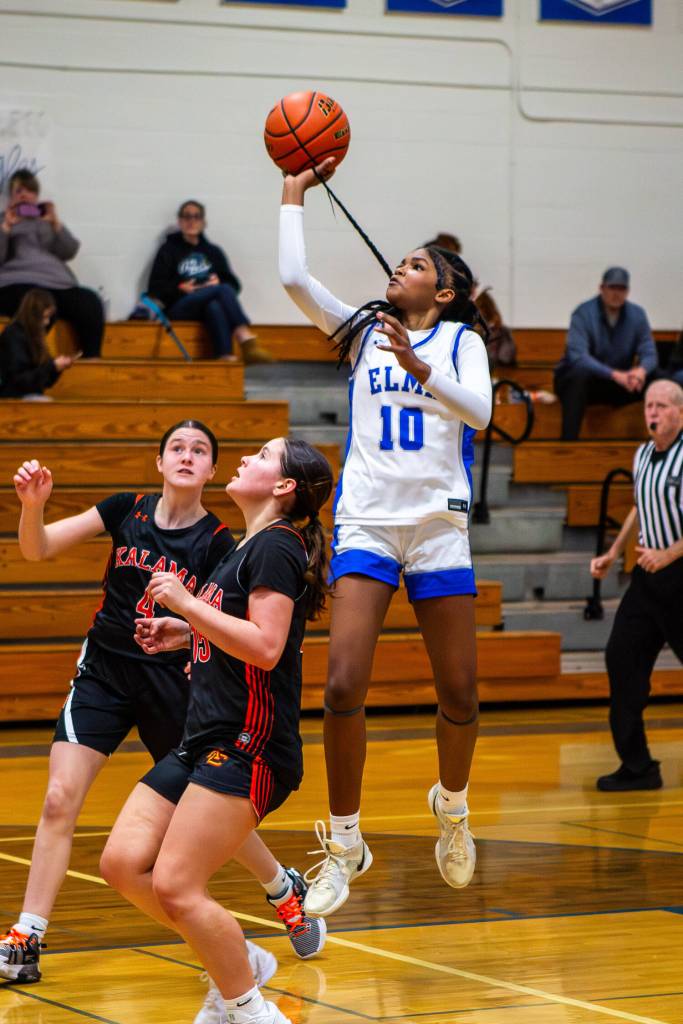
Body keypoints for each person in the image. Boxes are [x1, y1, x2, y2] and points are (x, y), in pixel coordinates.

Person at [0, 422, 298, 991]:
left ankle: (280, 885)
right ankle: (26, 937)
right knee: (60, 796)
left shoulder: (220, 542)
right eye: (177, 448)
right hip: (106, 675)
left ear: (212, 471)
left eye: (201, 450)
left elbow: (223, 623)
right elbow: (35, 549)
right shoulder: (124, 510)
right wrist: (32, 507)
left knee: (205, 803)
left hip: (176, 683)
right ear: (159, 462)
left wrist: (183, 629)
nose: (187, 456)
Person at [279, 159, 492, 916]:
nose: (398, 269)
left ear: (443, 292)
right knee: (341, 685)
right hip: (367, 519)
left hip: (437, 528)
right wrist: (293, 194)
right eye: (398, 261)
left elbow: (479, 415)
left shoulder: (462, 341)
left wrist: (419, 367)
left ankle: (453, 807)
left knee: (460, 694)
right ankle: (344, 843)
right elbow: (295, 281)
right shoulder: (366, 329)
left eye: (416, 265)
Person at [100, 436, 333, 1024]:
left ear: (283, 487)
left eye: (262, 455)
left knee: (177, 886)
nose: (247, 458)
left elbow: (267, 646)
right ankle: (240, 962)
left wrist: (184, 605)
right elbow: (237, 628)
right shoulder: (248, 547)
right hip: (203, 739)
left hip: (248, 744)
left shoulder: (277, 545)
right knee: (123, 865)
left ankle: (251, 1011)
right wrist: (185, 634)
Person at [590, 380, 683, 792]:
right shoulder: (643, 454)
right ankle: (639, 764)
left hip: (680, 575)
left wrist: (670, 554)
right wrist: (613, 553)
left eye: (662, 406)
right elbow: (639, 506)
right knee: (621, 657)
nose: (653, 413)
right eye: (649, 405)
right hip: (648, 579)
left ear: (680, 412)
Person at [147, 199, 271, 364]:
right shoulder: (168, 250)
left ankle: (225, 356)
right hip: (179, 306)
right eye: (187, 216)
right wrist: (180, 288)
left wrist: (216, 281)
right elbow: (155, 288)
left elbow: (233, 284)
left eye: (196, 217)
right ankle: (244, 336)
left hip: (206, 304)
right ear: (180, 221)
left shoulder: (213, 251)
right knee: (221, 290)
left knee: (215, 304)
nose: (191, 221)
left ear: (203, 222)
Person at [0, 169, 104, 358]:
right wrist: (6, 227)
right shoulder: (3, 220)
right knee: (37, 304)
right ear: (11, 196)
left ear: (36, 196)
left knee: (90, 302)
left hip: (57, 283)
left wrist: (56, 223)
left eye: (29, 190)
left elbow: (69, 251)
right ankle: (27, 366)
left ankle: (92, 360)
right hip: (17, 282)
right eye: (18, 191)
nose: (24, 195)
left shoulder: (47, 223)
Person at [554, 267, 658, 440]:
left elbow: (649, 353)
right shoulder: (583, 313)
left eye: (621, 289)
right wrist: (614, 374)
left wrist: (641, 371)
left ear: (627, 291)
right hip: (586, 383)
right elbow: (577, 357)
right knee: (577, 376)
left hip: (620, 383)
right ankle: (568, 444)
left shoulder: (637, 315)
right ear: (602, 288)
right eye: (612, 288)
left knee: (659, 380)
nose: (616, 294)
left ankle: (662, 445)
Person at [0, 287, 79, 399]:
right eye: (44, 317)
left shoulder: (35, 337)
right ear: (33, 316)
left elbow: (45, 382)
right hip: (13, 397)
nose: (47, 322)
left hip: (30, 395)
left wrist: (57, 368)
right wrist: (52, 366)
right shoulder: (13, 335)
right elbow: (19, 381)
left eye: (49, 317)